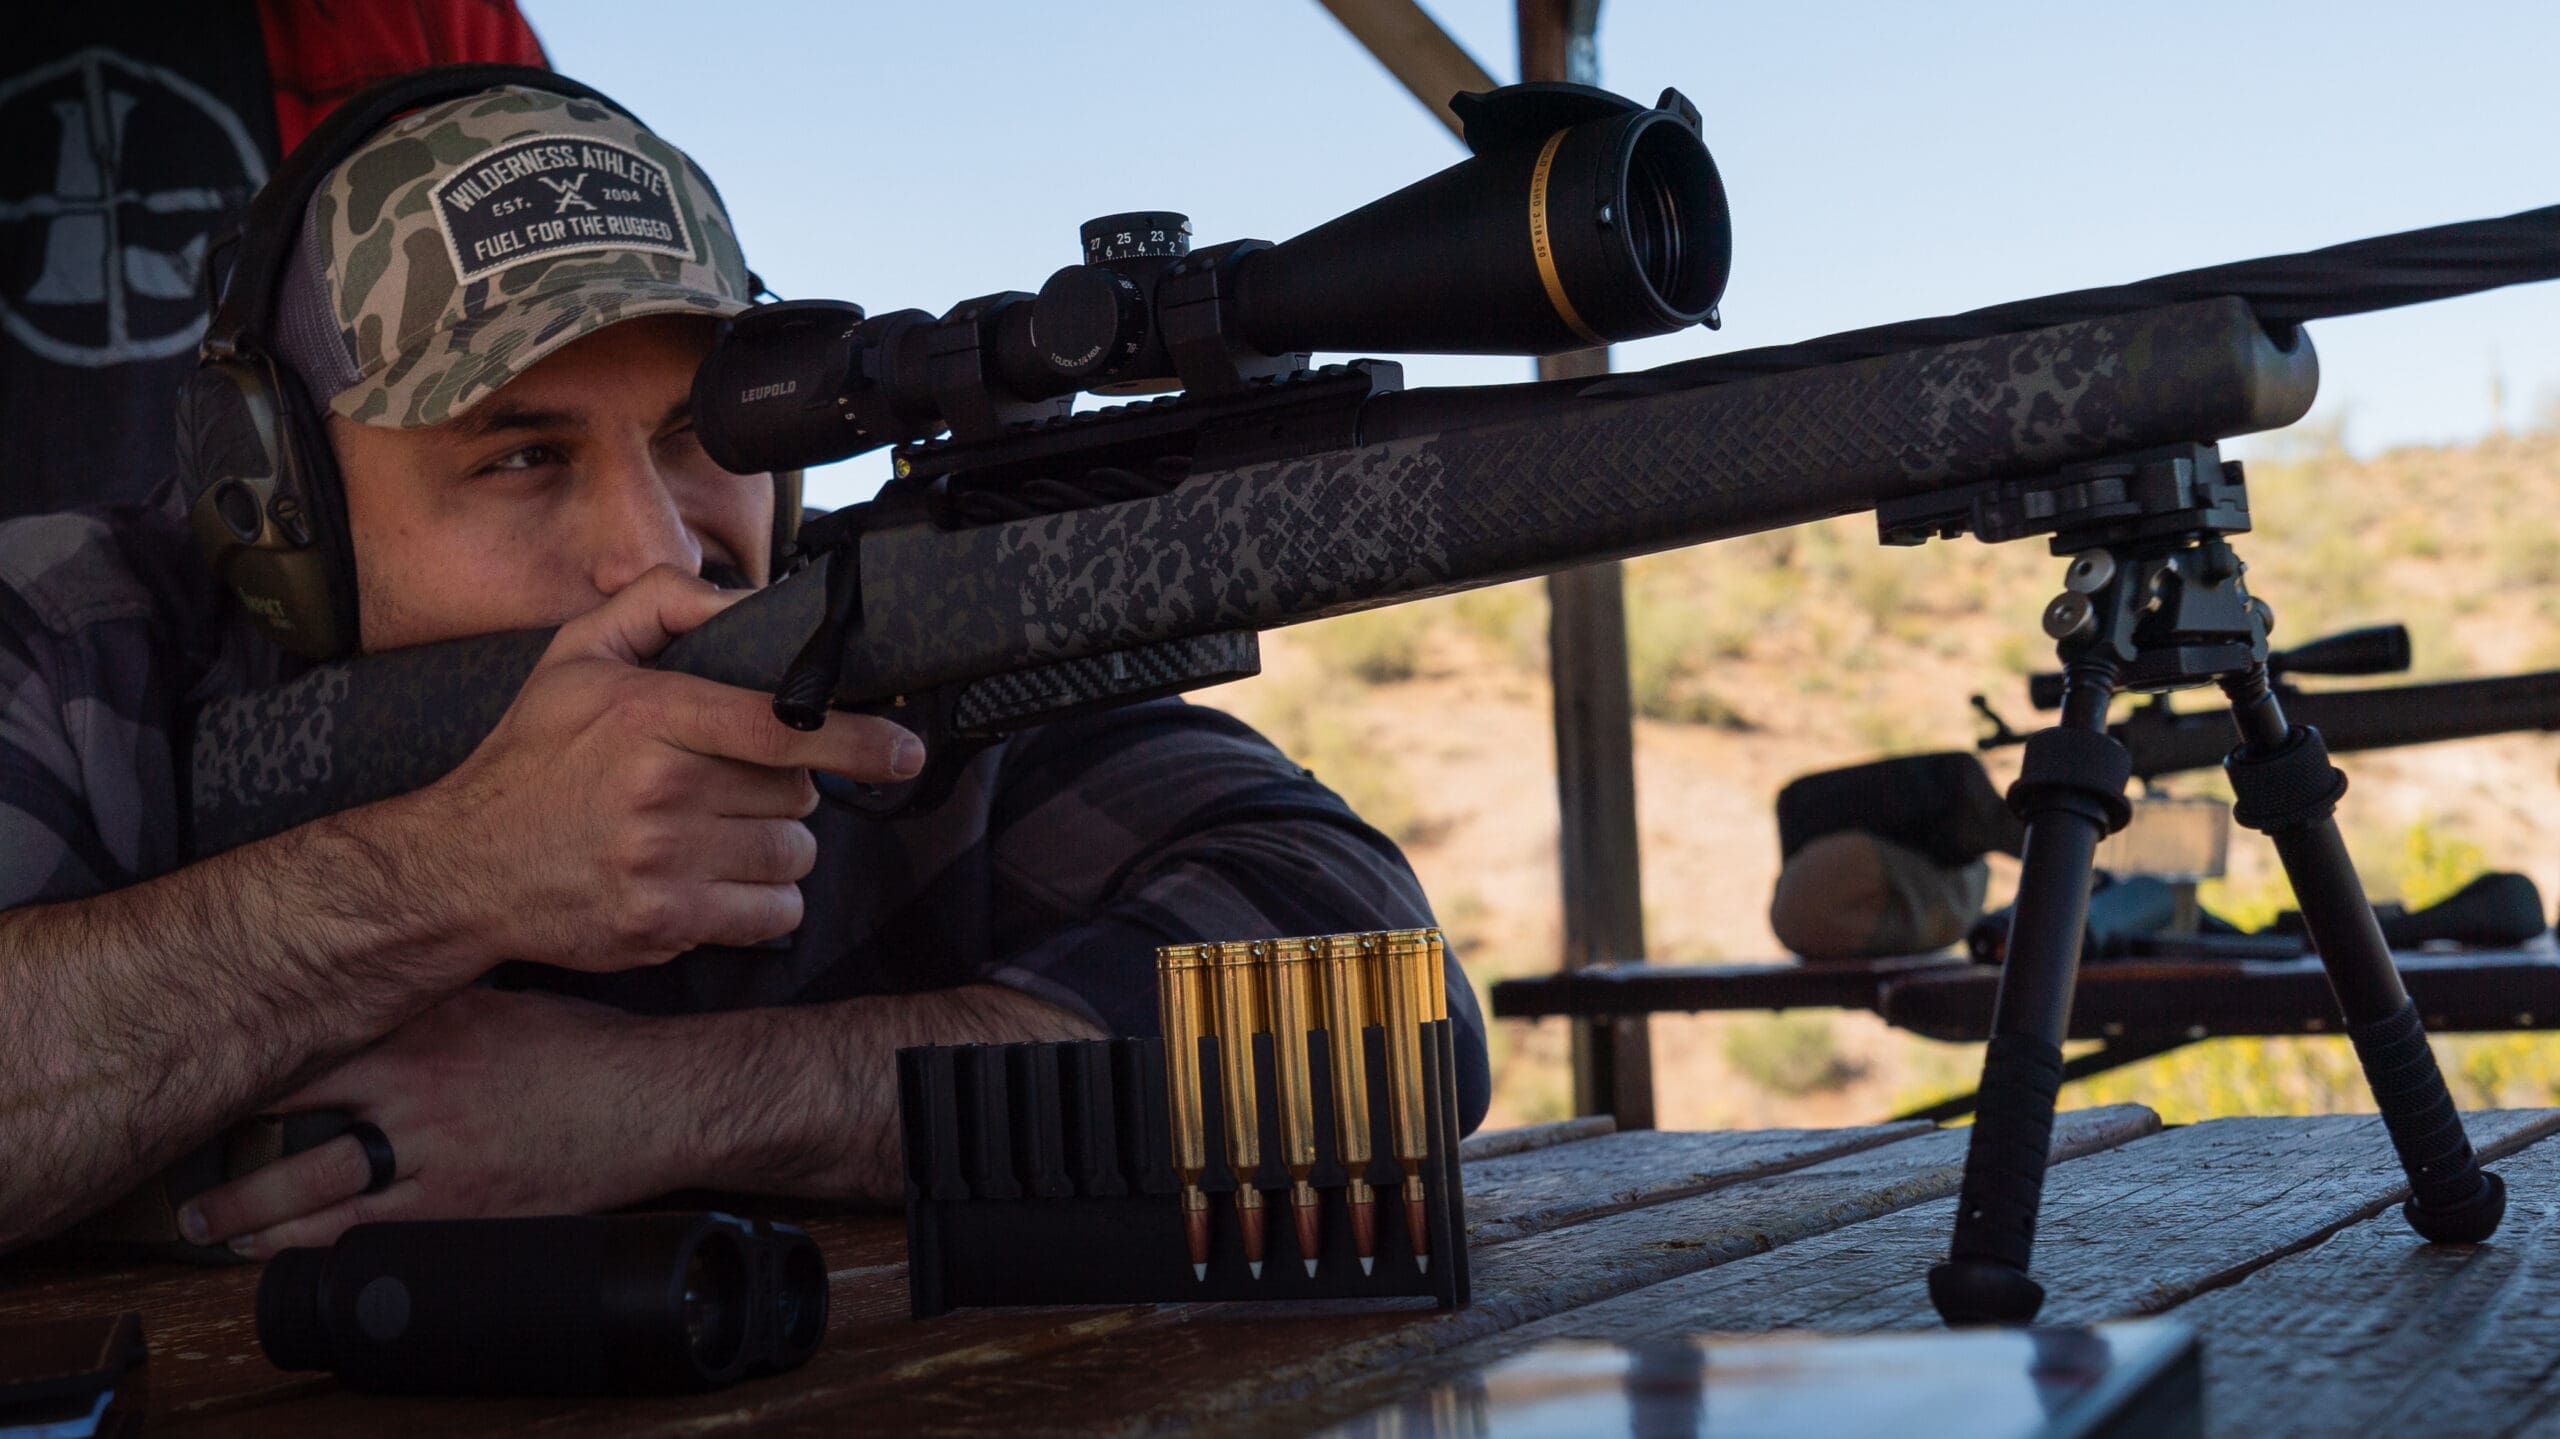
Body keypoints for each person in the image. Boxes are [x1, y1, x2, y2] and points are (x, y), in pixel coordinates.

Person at [0, 68, 1489, 1256]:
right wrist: (443, 876)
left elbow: (1392, 1022)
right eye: (522, 456)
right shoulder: (78, 643)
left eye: (698, 438)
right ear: (281, 512)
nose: (652, 553)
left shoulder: (877, 634)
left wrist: (671, 1106)